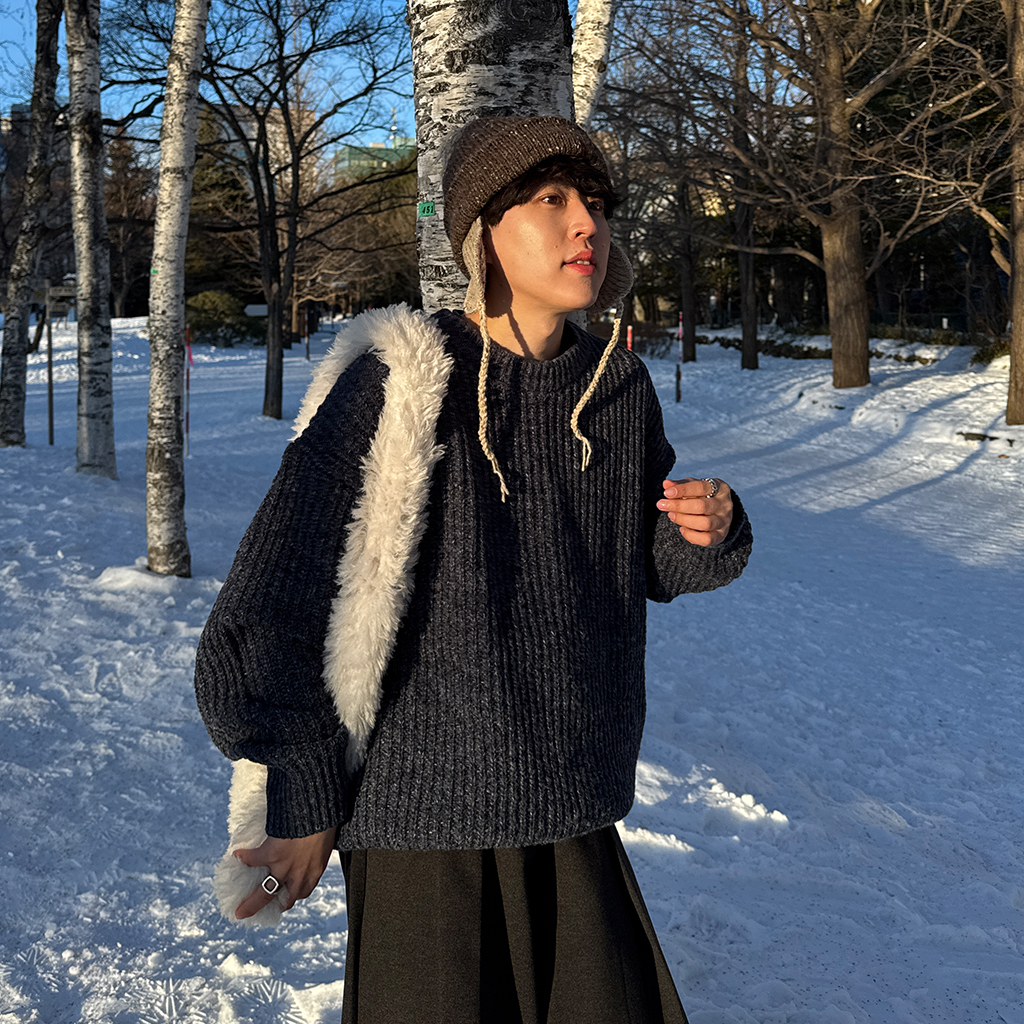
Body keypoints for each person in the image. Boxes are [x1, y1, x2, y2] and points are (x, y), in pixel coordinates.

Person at [194, 115, 752, 1024]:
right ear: (482, 231)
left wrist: (707, 532)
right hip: (421, 828)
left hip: (572, 802)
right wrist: (302, 789)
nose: (587, 223)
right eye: (552, 199)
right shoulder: (401, 383)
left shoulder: (617, 389)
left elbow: (636, 560)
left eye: (597, 203)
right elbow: (270, 604)